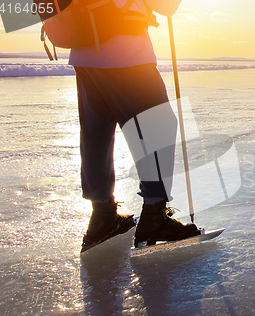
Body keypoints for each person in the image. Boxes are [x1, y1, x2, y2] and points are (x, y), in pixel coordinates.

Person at [70, 0, 200, 252]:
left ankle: (102, 215)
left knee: (96, 133)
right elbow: (167, 7)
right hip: (125, 52)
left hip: (84, 52)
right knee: (158, 126)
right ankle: (153, 216)